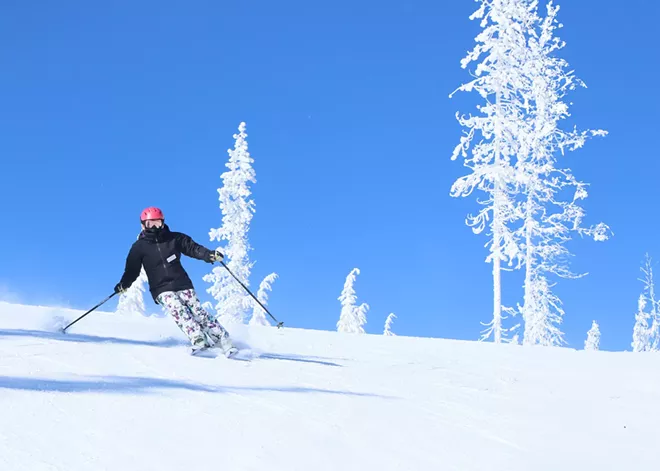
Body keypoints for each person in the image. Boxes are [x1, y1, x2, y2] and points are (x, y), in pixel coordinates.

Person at [114, 206, 237, 356]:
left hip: (181, 282)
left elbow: (193, 248)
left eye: (157, 223)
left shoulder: (175, 238)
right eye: (150, 224)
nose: (154, 227)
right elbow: (132, 270)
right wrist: (123, 285)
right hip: (161, 287)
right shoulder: (139, 247)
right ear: (143, 225)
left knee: (197, 311)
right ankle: (198, 339)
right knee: (177, 309)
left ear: (163, 222)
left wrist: (209, 255)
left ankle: (224, 341)